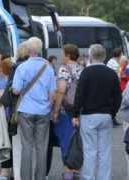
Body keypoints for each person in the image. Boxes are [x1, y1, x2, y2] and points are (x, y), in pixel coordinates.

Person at [72, 44, 122, 180]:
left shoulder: (86, 72)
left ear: (91, 56)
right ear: (104, 56)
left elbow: (79, 95)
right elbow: (118, 96)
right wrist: (112, 113)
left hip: (89, 115)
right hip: (106, 115)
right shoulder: (111, 73)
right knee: (105, 151)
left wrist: (75, 114)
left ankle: (88, 177)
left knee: (90, 151)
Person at [12, 37, 57, 180]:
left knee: (26, 146)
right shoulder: (48, 68)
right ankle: (40, 177)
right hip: (43, 111)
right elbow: (52, 93)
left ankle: (25, 177)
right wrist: (48, 107)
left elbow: (16, 91)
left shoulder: (22, 67)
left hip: (26, 110)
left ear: (29, 50)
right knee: (42, 147)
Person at [52, 44, 83, 180]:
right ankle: (77, 170)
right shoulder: (82, 69)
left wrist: (56, 111)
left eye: (63, 54)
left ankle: (68, 172)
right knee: (78, 141)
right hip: (80, 112)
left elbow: (61, 91)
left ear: (69, 55)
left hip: (67, 111)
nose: (61, 57)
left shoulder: (64, 70)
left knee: (66, 141)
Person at [0, 56, 14, 180]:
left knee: (5, 144)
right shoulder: (14, 79)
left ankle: (5, 172)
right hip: (15, 116)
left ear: (3, 69)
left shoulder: (3, 81)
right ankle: (14, 171)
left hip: (5, 117)